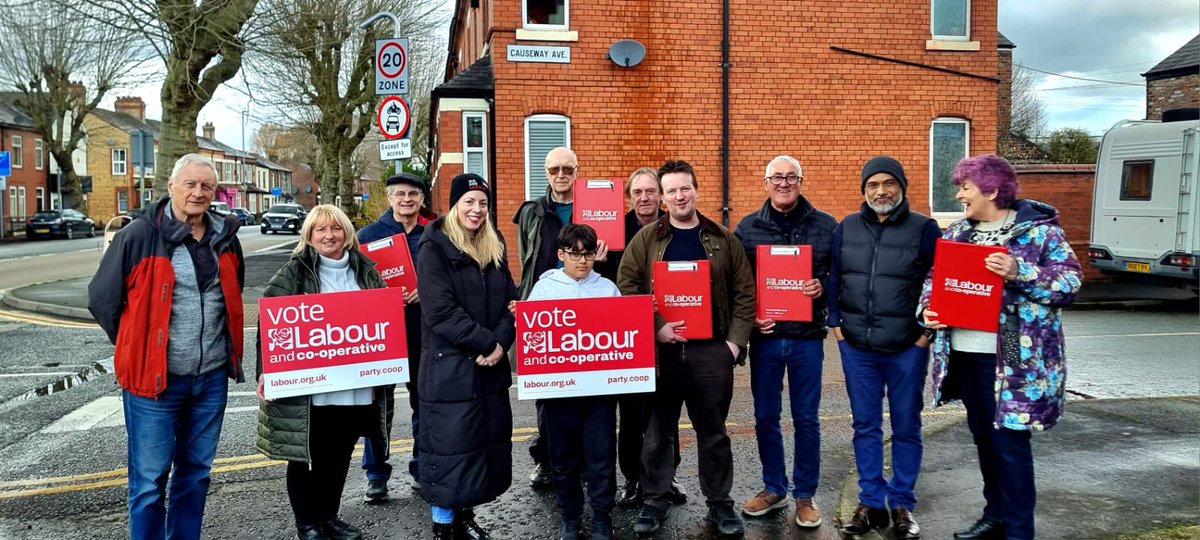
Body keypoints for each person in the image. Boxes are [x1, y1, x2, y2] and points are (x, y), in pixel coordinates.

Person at [919, 155, 1082, 540]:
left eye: (965, 187)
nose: (959, 195)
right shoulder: (958, 232)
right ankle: (996, 516)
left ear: (991, 190)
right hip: (963, 352)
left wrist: (1019, 271)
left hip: (1011, 356)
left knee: (1010, 444)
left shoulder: (1040, 233)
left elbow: (1070, 283)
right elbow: (933, 280)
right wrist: (929, 310)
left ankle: (1019, 531)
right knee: (984, 438)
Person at [88, 153, 245, 540]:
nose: (198, 192)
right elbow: (102, 299)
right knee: (149, 481)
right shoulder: (139, 235)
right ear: (171, 187)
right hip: (154, 383)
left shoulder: (225, 236)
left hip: (209, 380)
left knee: (196, 475)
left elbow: (232, 293)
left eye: (206, 186)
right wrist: (136, 345)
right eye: (190, 184)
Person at [617, 160, 756, 537]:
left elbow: (745, 293)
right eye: (671, 190)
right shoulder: (646, 240)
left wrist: (733, 344)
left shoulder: (722, 238)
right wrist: (656, 326)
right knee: (658, 431)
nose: (679, 196)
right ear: (662, 198)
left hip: (711, 352)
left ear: (696, 190)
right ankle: (655, 498)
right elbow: (627, 285)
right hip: (662, 354)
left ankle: (719, 503)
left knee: (713, 432)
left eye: (685, 188)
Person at [254, 205, 393, 540]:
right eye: (320, 230)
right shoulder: (293, 272)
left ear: (346, 232)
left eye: (336, 228)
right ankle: (308, 523)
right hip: (312, 388)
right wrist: (265, 371)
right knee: (306, 455)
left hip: (356, 384)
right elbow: (268, 324)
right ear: (309, 236)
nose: (329, 235)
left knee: (340, 453)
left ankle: (328, 517)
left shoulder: (366, 271)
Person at [826, 156, 941, 539]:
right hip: (857, 346)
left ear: (902, 187)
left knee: (907, 425)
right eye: (873, 184)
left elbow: (937, 283)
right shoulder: (847, 228)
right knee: (865, 426)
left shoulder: (925, 229)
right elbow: (835, 278)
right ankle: (871, 502)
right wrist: (837, 328)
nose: (881, 191)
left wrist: (925, 335)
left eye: (888, 183)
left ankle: (902, 504)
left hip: (908, 347)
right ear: (864, 190)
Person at [733, 155, 836, 528]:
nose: (784, 183)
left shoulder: (826, 226)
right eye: (777, 177)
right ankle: (774, 487)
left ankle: (805, 495)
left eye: (791, 177)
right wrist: (752, 316)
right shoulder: (747, 228)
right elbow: (738, 284)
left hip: (808, 339)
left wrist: (821, 286)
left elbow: (837, 274)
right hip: (767, 339)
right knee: (765, 416)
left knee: (807, 419)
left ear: (801, 181)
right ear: (766, 183)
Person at [418, 173, 518, 540]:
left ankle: (465, 517)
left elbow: (512, 301)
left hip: (488, 366)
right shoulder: (434, 247)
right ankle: (444, 526)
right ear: (455, 205)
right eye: (469, 202)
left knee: (477, 449)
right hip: (450, 369)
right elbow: (440, 311)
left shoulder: (495, 245)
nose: (476, 210)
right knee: (449, 448)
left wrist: (500, 342)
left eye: (482, 203)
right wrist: (487, 344)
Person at [513, 146, 609, 489]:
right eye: (554, 169)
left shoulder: (598, 208)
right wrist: (524, 301)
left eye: (567, 168)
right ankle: (548, 461)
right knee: (548, 393)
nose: (560, 175)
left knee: (590, 392)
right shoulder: (532, 212)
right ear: (546, 172)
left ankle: (584, 461)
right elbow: (527, 259)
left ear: (577, 170)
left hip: (590, 304)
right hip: (548, 304)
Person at [595, 167, 685, 509]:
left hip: (668, 329)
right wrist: (600, 262)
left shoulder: (674, 225)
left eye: (651, 192)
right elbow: (603, 283)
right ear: (629, 197)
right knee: (631, 414)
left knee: (665, 411)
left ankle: (667, 475)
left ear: (660, 196)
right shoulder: (613, 230)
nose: (644, 198)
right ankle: (633, 479)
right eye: (638, 193)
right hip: (626, 332)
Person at [527, 223, 622, 540]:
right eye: (574, 254)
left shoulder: (607, 288)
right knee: (563, 459)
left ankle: (601, 518)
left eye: (588, 253)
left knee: (601, 457)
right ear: (560, 254)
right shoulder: (544, 289)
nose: (582, 260)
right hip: (560, 393)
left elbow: (622, 336)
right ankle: (570, 518)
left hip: (599, 394)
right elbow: (534, 339)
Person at [356, 172, 437, 503]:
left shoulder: (434, 233)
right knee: (378, 405)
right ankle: (376, 473)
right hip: (382, 334)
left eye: (413, 194)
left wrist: (425, 291)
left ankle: (421, 468)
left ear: (421, 199)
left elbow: (445, 277)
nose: (407, 199)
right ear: (389, 198)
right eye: (400, 194)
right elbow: (356, 283)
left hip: (423, 329)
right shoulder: (368, 235)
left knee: (424, 401)